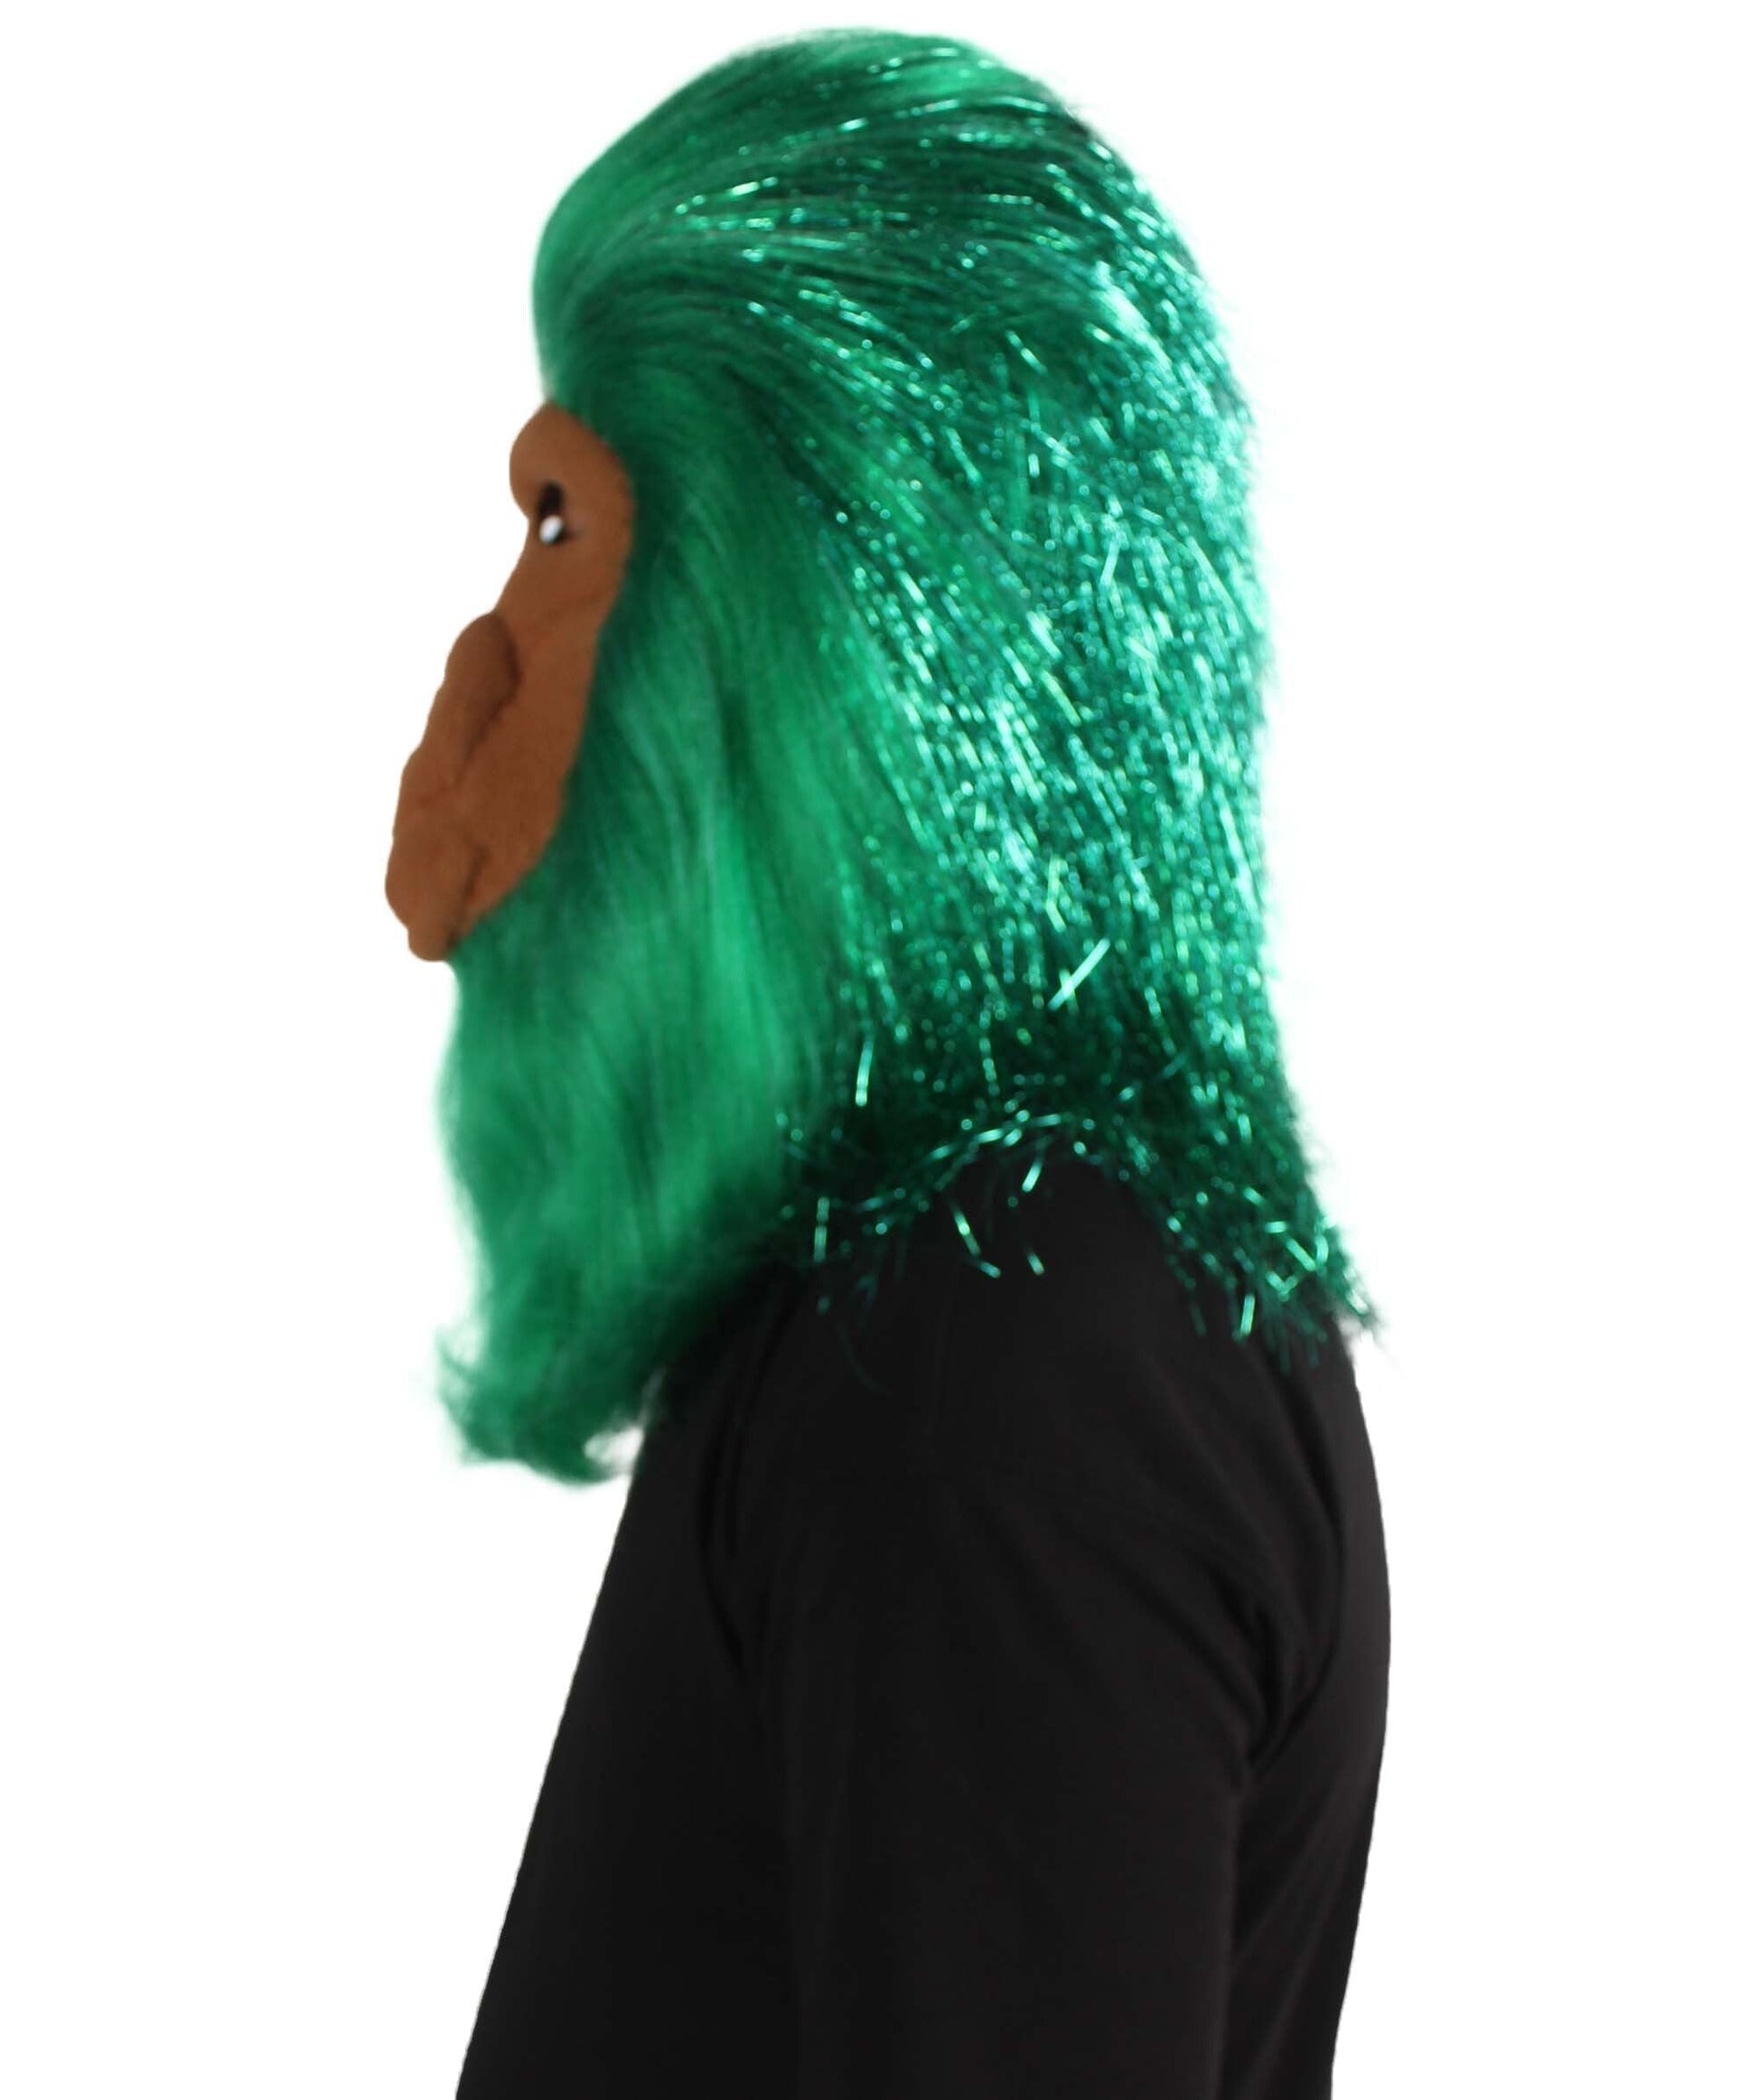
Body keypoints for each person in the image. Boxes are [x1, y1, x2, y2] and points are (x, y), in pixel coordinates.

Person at [386, 27, 1391, 2096]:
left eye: (563, 529)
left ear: (827, 614)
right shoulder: (963, 1297)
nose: (483, 667)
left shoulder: (1001, 1360)